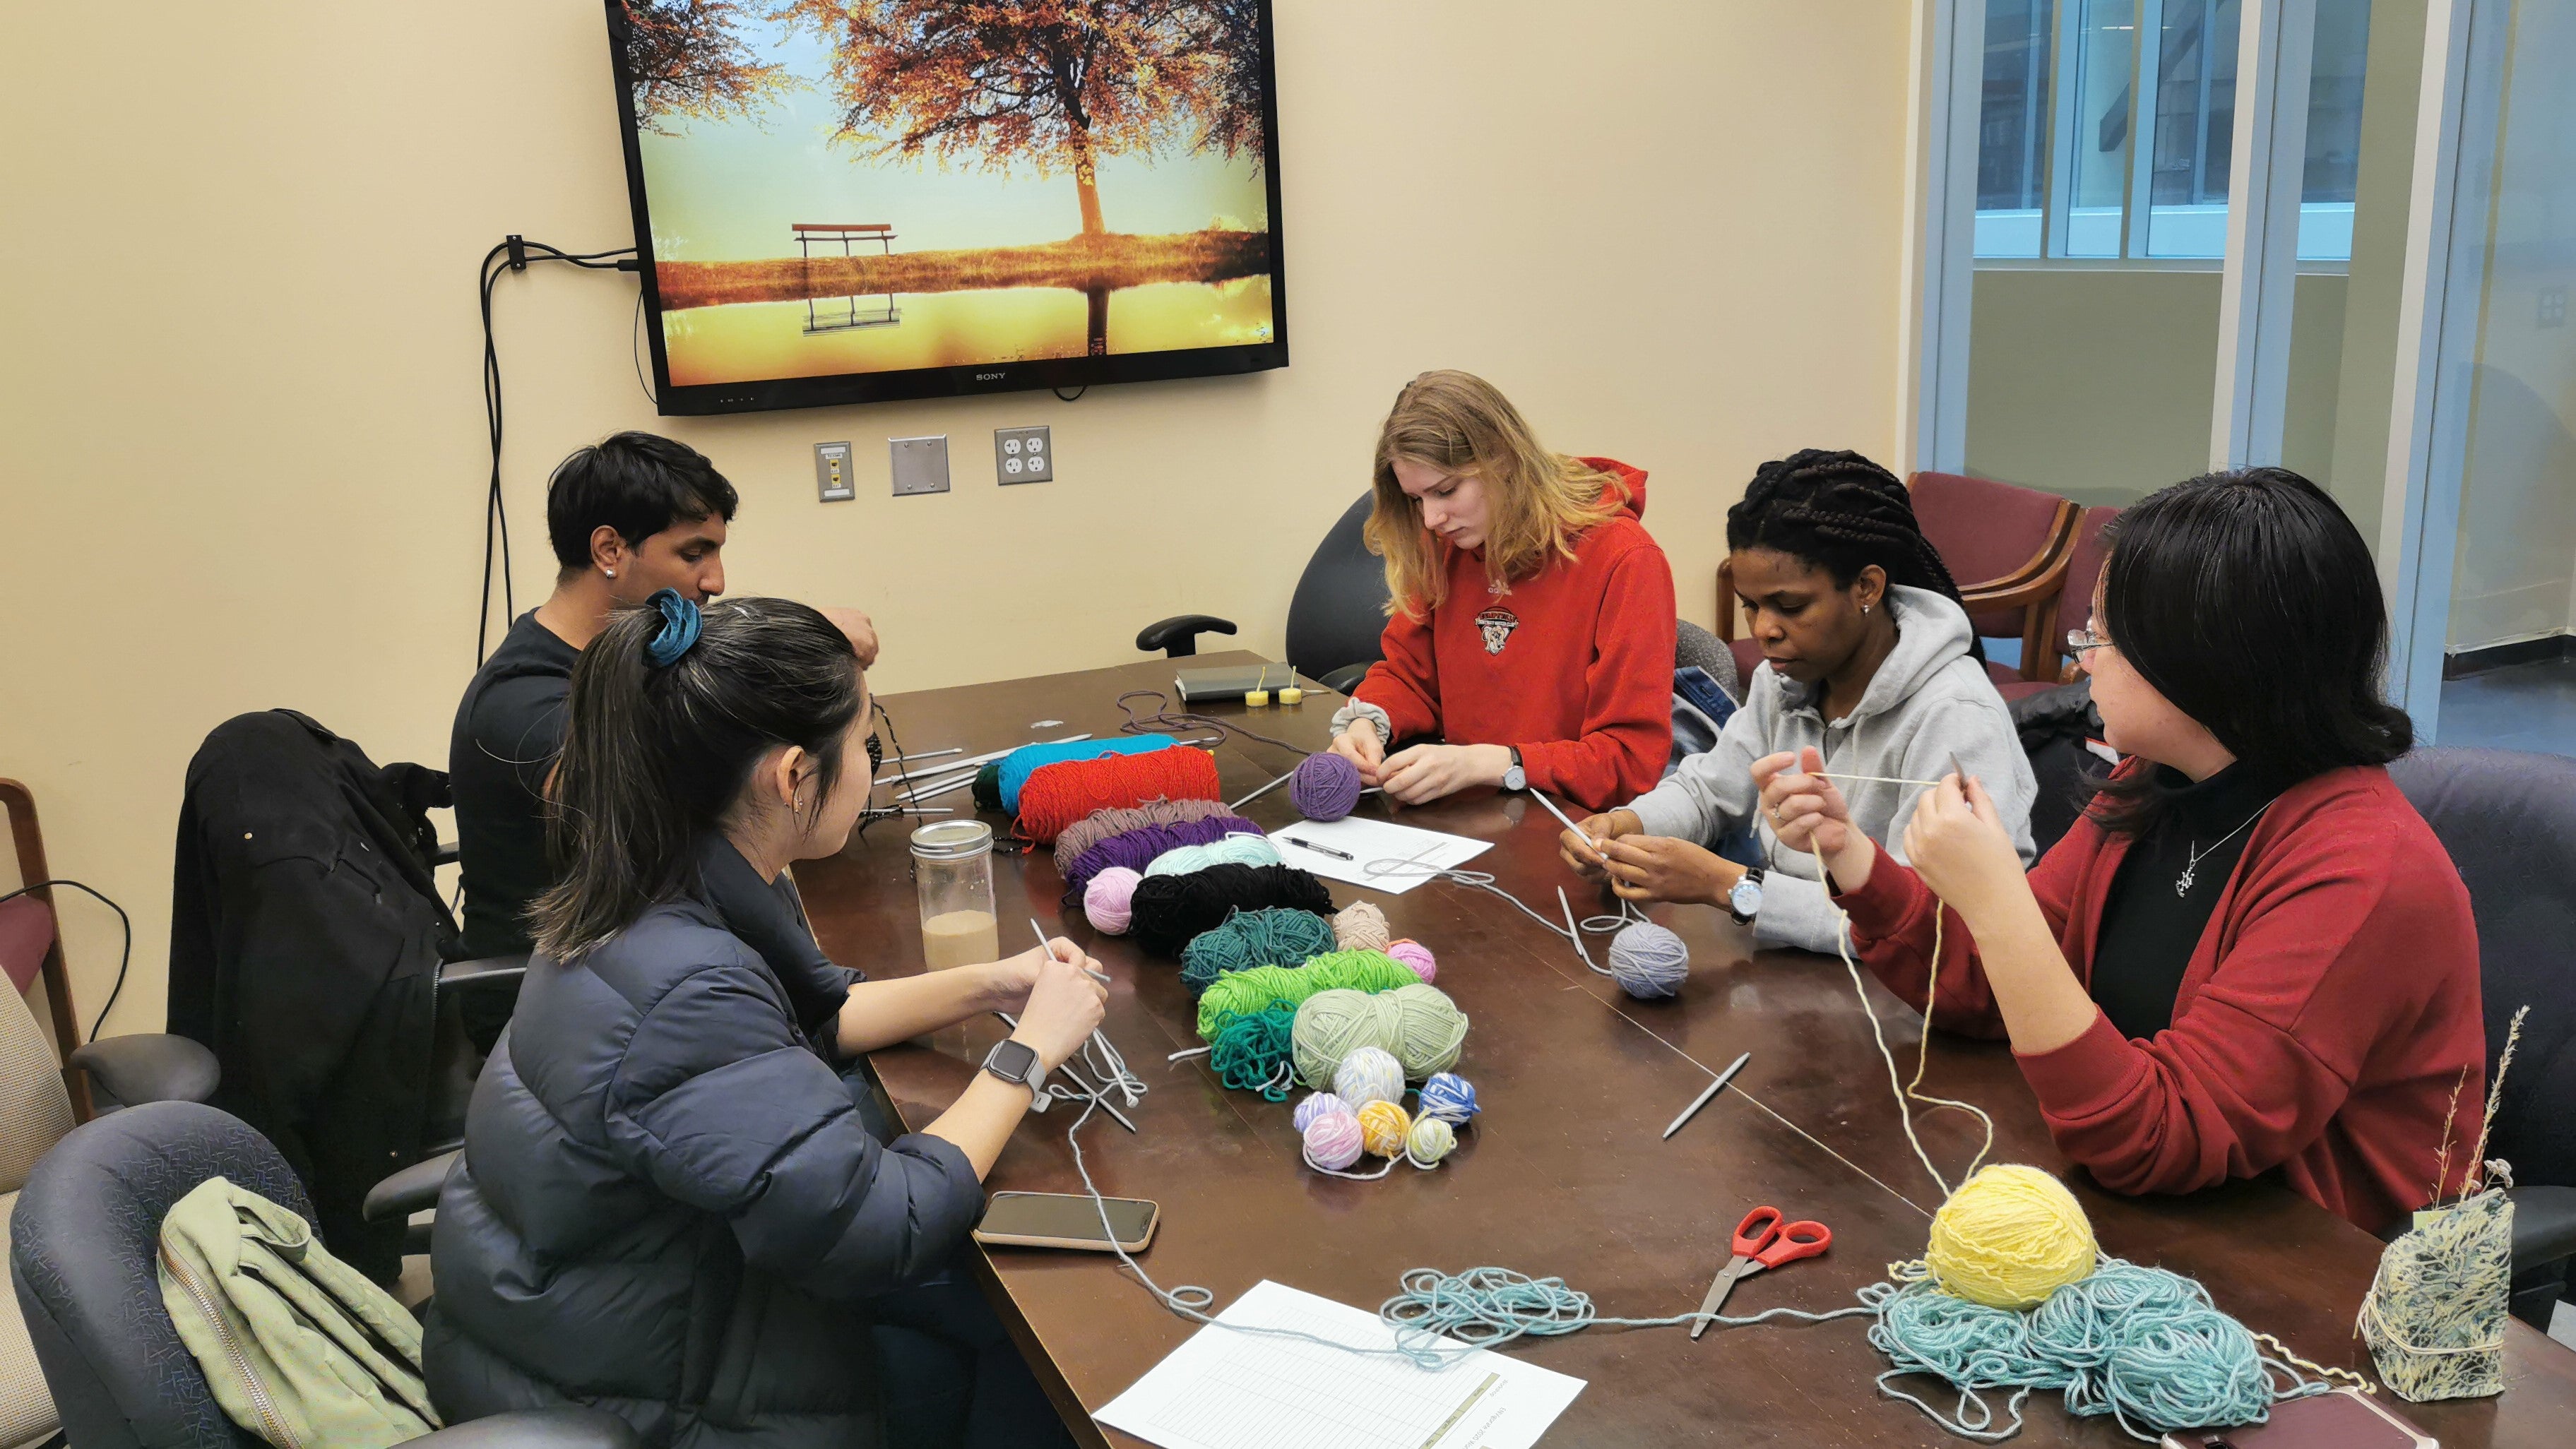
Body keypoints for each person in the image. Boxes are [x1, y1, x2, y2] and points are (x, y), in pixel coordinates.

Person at [426, 592, 1098, 1448]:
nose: (872, 770)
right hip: (658, 1395)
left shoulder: (662, 875)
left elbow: (811, 1018)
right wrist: (1029, 1054)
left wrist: (994, 984)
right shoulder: (684, 985)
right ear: (790, 776)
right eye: (862, 747)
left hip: (605, 1315)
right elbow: (880, 1226)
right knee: (1038, 1357)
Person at [1761, 467, 2484, 1233]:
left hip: (2319, 1289)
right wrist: (1851, 858)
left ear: (2202, 661)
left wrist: (1998, 897)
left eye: (2099, 635)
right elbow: (1986, 986)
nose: (2080, 661)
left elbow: (2156, 1137)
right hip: (2171, 1231)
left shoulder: (2362, 870)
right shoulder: (2156, 782)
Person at [1559, 449, 2035, 955]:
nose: (1764, 630)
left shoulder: (1956, 716)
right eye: (1751, 605)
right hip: (1794, 964)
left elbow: (1926, 928)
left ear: (1866, 588)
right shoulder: (1784, 678)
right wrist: (1624, 826)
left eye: (1790, 606)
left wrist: (1730, 886)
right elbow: (1708, 789)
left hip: (1901, 1006)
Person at [449, 431, 878, 962]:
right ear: (610, 550)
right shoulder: (522, 706)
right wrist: (805, 634)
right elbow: (670, 821)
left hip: (652, 963)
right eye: (693, 554)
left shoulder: (633, 661)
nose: (717, 580)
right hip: (559, 1001)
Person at [1325, 370, 1675, 811]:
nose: (1432, 518)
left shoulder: (1624, 560)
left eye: (1446, 490)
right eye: (1417, 499)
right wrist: (1368, 722)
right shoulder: (1449, 543)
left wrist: (1493, 763)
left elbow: (1629, 761)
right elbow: (1411, 675)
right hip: (1474, 816)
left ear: (1504, 460)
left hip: (1571, 828)